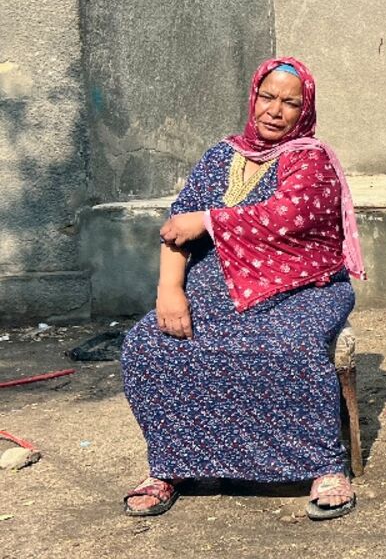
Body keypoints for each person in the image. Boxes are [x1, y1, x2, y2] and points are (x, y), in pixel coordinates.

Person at [120, 57, 366, 520]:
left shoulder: (310, 159)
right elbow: (176, 226)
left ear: (304, 109)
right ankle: (172, 465)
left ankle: (323, 466)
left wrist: (209, 220)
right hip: (215, 296)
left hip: (302, 292)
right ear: (253, 98)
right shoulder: (219, 156)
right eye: (267, 97)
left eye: (289, 102)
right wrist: (169, 291)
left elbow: (287, 216)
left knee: (291, 346)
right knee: (147, 346)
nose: (275, 110)